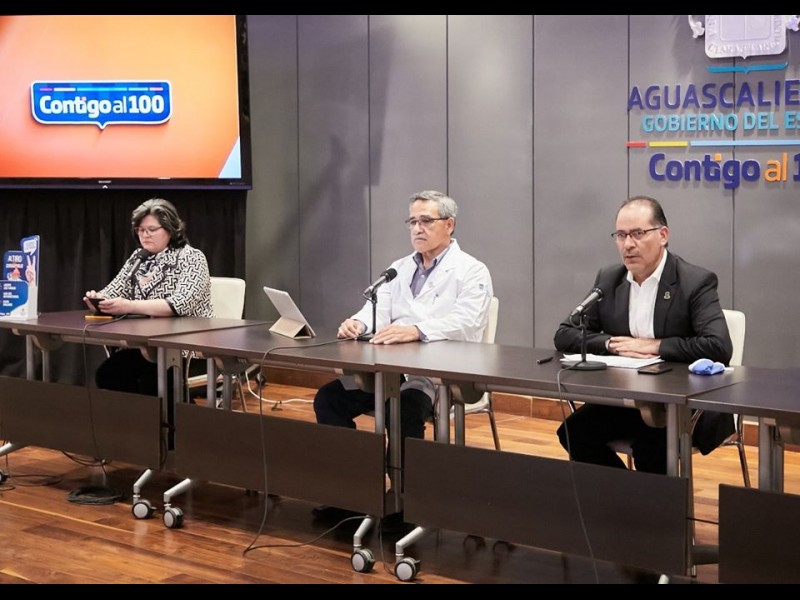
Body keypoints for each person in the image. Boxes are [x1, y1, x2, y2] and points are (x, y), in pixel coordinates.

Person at [312, 190, 493, 522]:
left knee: (403, 411)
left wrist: (417, 330)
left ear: (449, 224)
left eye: (426, 221)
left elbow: (468, 322)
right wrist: (358, 323)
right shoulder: (398, 269)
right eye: (412, 221)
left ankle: (407, 502)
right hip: (386, 373)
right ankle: (352, 489)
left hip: (434, 376)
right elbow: (376, 310)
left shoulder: (471, 271)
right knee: (329, 399)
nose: (417, 228)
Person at [554, 195, 733, 475]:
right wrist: (611, 344)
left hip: (679, 405)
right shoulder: (610, 279)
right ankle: (625, 497)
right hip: (628, 399)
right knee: (574, 432)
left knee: (651, 448)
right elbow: (565, 334)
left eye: (638, 233)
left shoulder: (694, 282)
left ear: (663, 235)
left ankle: (652, 504)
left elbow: (718, 346)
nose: (628, 244)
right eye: (621, 235)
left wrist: (653, 346)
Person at [83, 198, 213, 396]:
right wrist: (98, 299)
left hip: (186, 347)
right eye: (141, 230)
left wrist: (130, 306)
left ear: (171, 229)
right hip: (147, 345)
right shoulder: (139, 257)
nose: (145, 235)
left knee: (152, 382)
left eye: (152, 229)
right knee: (107, 375)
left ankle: (174, 414)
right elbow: (114, 290)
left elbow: (179, 304)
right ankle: (135, 415)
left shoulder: (192, 257)